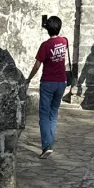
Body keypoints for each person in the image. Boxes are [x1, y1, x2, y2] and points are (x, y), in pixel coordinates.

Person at [26, 15, 70, 158]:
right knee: (53, 113)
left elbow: (37, 65)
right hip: (61, 82)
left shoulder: (45, 46)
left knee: (44, 115)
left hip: (48, 81)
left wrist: (28, 79)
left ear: (47, 29)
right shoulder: (64, 42)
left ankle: (47, 145)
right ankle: (50, 142)